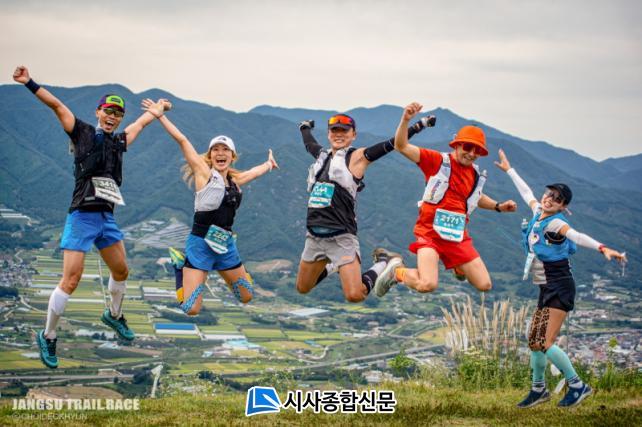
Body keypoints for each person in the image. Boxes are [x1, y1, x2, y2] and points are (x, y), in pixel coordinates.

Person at [13, 66, 166, 369]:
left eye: (117, 114)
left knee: (121, 271)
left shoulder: (119, 141)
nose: (112, 117)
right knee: (71, 280)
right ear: (98, 112)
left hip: (106, 217)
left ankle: (114, 314)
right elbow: (57, 106)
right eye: (108, 111)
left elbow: (140, 124)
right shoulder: (81, 132)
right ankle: (48, 335)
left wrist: (157, 110)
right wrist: (29, 82)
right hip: (82, 216)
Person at [495, 148, 627, 408]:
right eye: (549, 194)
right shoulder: (537, 213)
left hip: (560, 287)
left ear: (563, 206)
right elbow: (526, 193)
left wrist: (602, 248)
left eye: (557, 199)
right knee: (534, 342)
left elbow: (576, 236)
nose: (549, 199)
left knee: (544, 342)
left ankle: (578, 386)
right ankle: (539, 390)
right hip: (546, 287)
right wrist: (509, 170)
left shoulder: (555, 224)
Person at [146, 100, 278, 315]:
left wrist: (269, 164)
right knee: (191, 308)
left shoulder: (234, 181)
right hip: (200, 245)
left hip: (224, 244)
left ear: (232, 156)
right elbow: (182, 140)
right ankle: (180, 267)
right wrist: (160, 116)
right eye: (215, 149)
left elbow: (253, 172)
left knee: (246, 296)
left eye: (225, 150)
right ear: (209, 156)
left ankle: (227, 266)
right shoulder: (204, 174)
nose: (220, 153)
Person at [375, 102, 517, 297]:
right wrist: (405, 120)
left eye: (477, 151)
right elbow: (401, 146)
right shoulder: (437, 161)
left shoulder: (475, 175)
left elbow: (475, 197)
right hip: (430, 234)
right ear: (457, 144)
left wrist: (498, 206)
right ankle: (396, 271)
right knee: (427, 284)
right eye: (468, 147)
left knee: (484, 284)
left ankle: (457, 265)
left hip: (457, 236)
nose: (472, 154)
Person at [295, 113, 434, 302]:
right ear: (328, 134)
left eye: (344, 131)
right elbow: (309, 143)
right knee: (303, 287)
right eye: (334, 130)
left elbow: (391, 144)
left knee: (355, 295)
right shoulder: (322, 157)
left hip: (341, 237)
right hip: (314, 236)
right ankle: (334, 265)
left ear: (353, 135)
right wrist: (305, 127)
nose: (338, 134)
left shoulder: (357, 157)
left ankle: (384, 263)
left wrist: (419, 125)